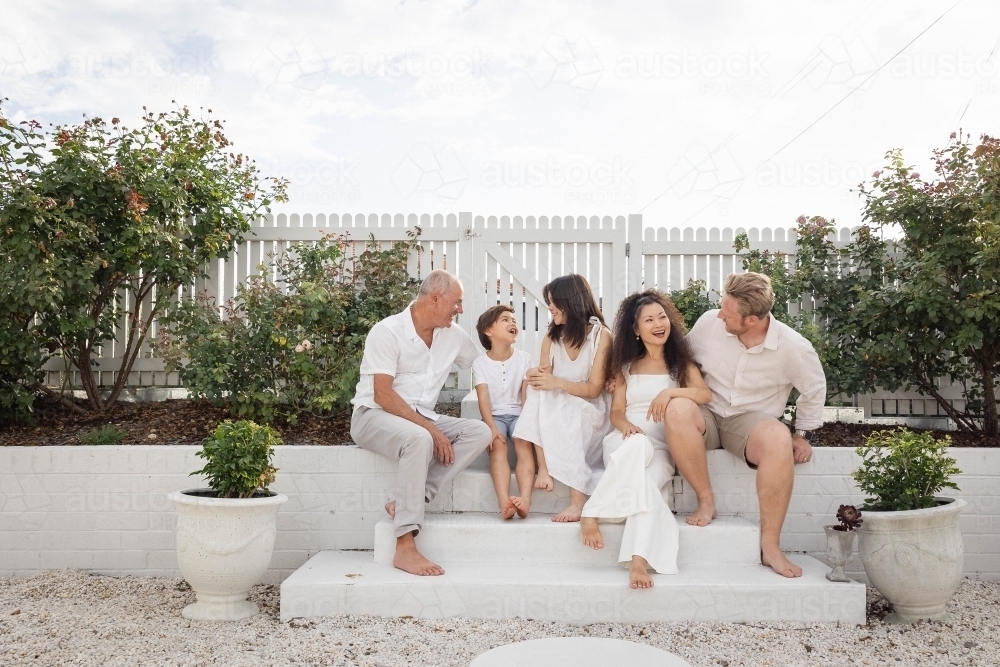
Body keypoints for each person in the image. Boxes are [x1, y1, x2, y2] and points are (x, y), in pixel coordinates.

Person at [350, 270, 492, 576]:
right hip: (372, 415)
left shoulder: (453, 335)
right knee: (421, 439)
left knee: (479, 431)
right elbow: (383, 395)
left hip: (422, 417)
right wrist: (431, 430)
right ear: (435, 298)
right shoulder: (387, 331)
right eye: (457, 302)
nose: (461, 310)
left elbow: (483, 364)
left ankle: (407, 501)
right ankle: (404, 545)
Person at [687, 271, 826, 579]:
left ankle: (771, 548)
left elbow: (814, 389)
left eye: (728, 311)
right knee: (677, 410)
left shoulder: (793, 348)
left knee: (779, 438)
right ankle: (705, 501)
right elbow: (680, 359)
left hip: (750, 422)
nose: (720, 313)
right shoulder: (710, 323)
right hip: (706, 411)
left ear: (752, 320)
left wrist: (802, 434)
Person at [579, 290, 713, 589]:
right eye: (649, 320)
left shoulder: (681, 364)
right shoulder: (625, 367)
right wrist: (625, 426)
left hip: (663, 447)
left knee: (650, 489)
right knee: (638, 448)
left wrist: (670, 392)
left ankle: (621, 541)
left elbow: (704, 394)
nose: (658, 324)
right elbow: (615, 412)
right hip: (624, 442)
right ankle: (626, 547)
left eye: (662, 317)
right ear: (636, 330)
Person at [511, 274, 612, 522]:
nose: (550, 308)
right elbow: (545, 380)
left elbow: (595, 389)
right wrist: (535, 376)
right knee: (535, 390)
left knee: (566, 411)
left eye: (554, 302)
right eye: (549, 302)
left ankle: (577, 500)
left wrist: (556, 383)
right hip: (557, 403)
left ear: (572, 302)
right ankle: (543, 468)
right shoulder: (551, 338)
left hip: (590, 409)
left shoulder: (601, 336)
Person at [472, 305, 532, 520]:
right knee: (498, 446)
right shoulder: (480, 363)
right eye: (505, 320)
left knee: (524, 443)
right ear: (489, 331)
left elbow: (526, 395)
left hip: (519, 415)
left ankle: (525, 499)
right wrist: (490, 427)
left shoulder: (524, 358)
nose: (512, 323)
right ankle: (504, 502)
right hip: (494, 416)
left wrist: (527, 423)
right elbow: (483, 397)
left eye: (514, 320)